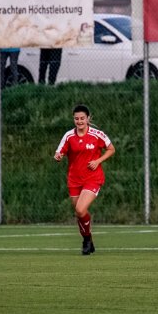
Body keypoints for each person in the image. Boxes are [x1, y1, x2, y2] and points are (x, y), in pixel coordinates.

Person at [54, 104, 115, 255]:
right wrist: (58, 156)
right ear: (73, 119)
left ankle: (86, 241)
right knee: (79, 213)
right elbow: (59, 152)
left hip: (93, 178)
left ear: (88, 118)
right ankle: (89, 240)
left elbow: (111, 149)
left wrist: (98, 161)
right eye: (76, 119)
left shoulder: (97, 134)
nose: (79, 121)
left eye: (82, 118)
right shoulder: (68, 136)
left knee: (80, 209)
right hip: (74, 179)